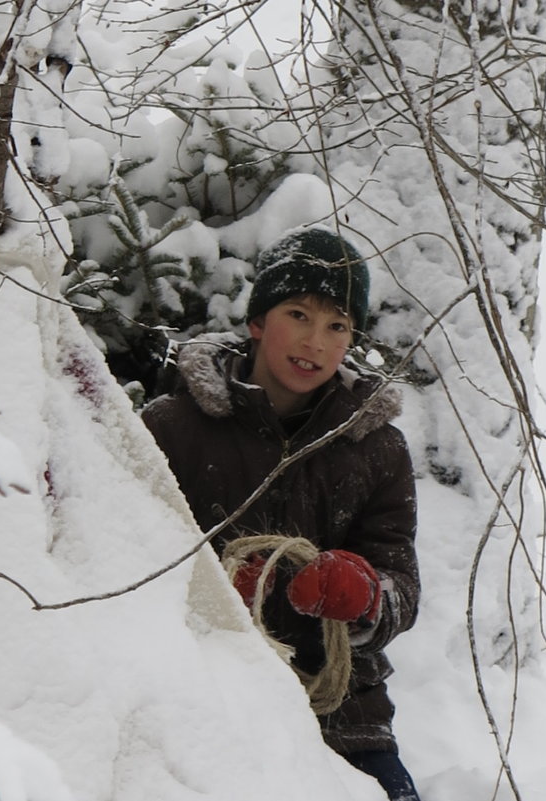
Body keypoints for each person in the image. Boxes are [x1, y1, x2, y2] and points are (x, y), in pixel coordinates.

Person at [142, 225, 421, 801]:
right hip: (200, 690)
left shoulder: (378, 448)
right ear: (258, 321)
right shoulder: (173, 427)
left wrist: (366, 595)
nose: (315, 342)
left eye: (337, 326)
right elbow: (128, 554)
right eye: (298, 314)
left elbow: (402, 587)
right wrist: (212, 591)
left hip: (343, 714)